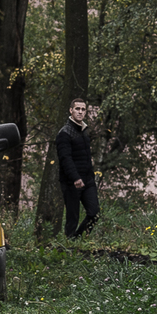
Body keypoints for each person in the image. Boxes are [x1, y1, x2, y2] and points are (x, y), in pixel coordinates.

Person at [54, 98, 99, 238]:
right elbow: (65, 159)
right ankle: (69, 248)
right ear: (71, 110)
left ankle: (77, 240)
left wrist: (90, 177)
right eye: (77, 109)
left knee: (94, 213)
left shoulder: (83, 131)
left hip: (88, 180)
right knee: (72, 218)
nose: (80, 112)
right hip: (71, 182)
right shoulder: (64, 133)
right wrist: (75, 178)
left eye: (83, 109)